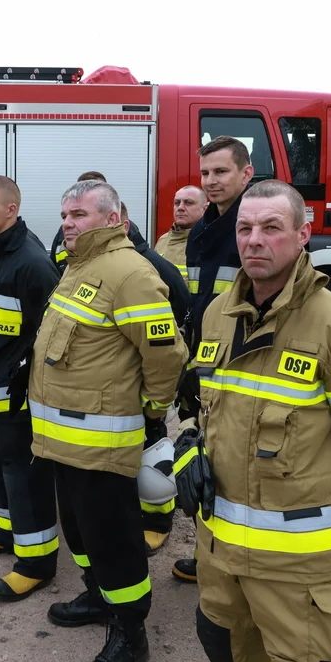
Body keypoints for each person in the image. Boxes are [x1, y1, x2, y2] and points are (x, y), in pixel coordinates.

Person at [177, 179, 331, 662]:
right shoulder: (219, 315)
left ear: (304, 234)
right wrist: (188, 450)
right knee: (227, 654)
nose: (254, 240)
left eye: (271, 227)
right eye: (244, 228)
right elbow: (206, 410)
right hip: (220, 558)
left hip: (300, 570)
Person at [33, 180, 187, 662]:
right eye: (64, 213)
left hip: (103, 444)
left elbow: (166, 354)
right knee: (78, 530)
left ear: (113, 216)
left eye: (78, 213)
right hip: (62, 440)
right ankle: (98, 595)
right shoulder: (79, 267)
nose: (67, 222)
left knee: (113, 539)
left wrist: (151, 409)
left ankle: (130, 632)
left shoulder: (129, 273)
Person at [0, 175, 62, 601]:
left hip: (15, 393)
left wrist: (23, 380)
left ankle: (36, 562)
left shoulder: (31, 262)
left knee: (24, 473)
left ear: (11, 210)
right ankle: (7, 529)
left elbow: (48, 336)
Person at [173, 136, 255, 583]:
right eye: (205, 173)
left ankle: (228, 559)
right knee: (203, 456)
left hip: (238, 362)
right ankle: (210, 551)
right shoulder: (204, 227)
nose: (211, 181)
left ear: (246, 173)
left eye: (221, 172)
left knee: (232, 459)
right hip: (203, 357)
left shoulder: (251, 225)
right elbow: (198, 303)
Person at [114, 201, 191, 555]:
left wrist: (158, 398)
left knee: (153, 447)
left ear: (120, 222)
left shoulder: (151, 267)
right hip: (114, 385)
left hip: (144, 384)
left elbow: (170, 338)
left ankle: (158, 519)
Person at [154, 185, 208, 284]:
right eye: (177, 203)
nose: (180, 208)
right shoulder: (163, 241)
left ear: (204, 209)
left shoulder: (210, 242)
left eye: (188, 203)